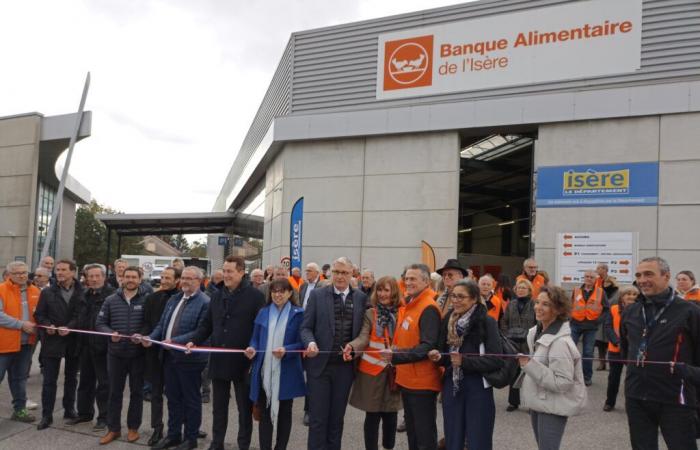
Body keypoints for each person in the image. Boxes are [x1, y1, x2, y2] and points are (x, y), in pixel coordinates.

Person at [186, 255, 265, 450]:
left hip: (244, 362)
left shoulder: (255, 296)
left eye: (230, 271)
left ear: (241, 272)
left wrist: (255, 348)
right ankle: (217, 443)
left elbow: (261, 327)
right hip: (219, 360)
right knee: (218, 408)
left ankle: (243, 444)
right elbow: (207, 325)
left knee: (244, 409)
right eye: (224, 270)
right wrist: (193, 340)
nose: (225, 274)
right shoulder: (217, 294)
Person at [621, 257, 700, 450]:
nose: (642, 280)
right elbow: (626, 350)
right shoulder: (631, 311)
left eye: (649, 274)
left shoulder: (689, 311)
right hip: (637, 396)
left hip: (675, 397)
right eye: (638, 275)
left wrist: (685, 372)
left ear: (666, 277)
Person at [300, 256, 368, 450]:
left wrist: (355, 347)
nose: (340, 276)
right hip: (319, 368)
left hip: (345, 369)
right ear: (330, 273)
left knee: (337, 419)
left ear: (352, 274)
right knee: (318, 419)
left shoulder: (361, 298)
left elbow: (366, 330)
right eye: (336, 272)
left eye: (344, 272)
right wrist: (310, 343)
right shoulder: (317, 296)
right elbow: (305, 328)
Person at [428, 279, 503, 450]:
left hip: (477, 387)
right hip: (452, 385)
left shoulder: (486, 321)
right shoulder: (448, 318)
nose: (455, 300)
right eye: (453, 296)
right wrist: (438, 356)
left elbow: (496, 359)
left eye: (461, 297)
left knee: (478, 438)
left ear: (474, 299)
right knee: (453, 437)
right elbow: (444, 353)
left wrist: (465, 361)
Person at [144, 266, 210, 450]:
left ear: (199, 281)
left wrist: (174, 341)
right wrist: (151, 337)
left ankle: (190, 439)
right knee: (173, 398)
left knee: (191, 400)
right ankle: (173, 435)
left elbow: (200, 331)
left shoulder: (205, 302)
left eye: (190, 278)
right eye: (184, 278)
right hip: (168, 357)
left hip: (190, 360)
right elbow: (162, 324)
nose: (185, 281)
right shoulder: (174, 298)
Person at [517, 285, 587, 450]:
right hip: (540, 401)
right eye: (537, 302)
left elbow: (562, 382)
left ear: (558, 309)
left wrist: (529, 365)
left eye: (545, 304)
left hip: (553, 406)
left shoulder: (561, 343)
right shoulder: (537, 332)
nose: (538, 307)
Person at [381, 264, 441, 450]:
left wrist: (395, 356)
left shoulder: (428, 307)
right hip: (409, 380)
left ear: (426, 281)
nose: (408, 282)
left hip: (422, 383)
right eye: (406, 278)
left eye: (413, 279)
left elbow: (427, 346)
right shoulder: (412, 303)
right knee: (413, 433)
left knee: (423, 435)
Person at [245, 278, 306, 450]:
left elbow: (302, 343)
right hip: (264, 370)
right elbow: (255, 338)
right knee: (264, 414)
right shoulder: (263, 312)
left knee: (285, 414)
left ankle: (281, 447)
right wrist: (252, 348)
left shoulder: (299, 313)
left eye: (281, 291)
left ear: (289, 293)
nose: (277, 294)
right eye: (274, 291)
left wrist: (287, 350)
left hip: (287, 372)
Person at [346, 276, 403, 450]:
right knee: (372, 416)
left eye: (387, 290)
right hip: (371, 372)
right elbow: (364, 337)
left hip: (394, 371)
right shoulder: (371, 313)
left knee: (391, 415)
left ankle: (388, 446)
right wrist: (352, 347)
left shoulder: (403, 312)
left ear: (394, 291)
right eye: (380, 290)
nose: (383, 294)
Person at [95, 266, 149, 445]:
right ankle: (113, 429)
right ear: (122, 279)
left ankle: (133, 428)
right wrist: (110, 332)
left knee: (136, 392)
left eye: (134, 277)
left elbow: (150, 324)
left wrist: (141, 334)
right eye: (128, 277)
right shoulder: (111, 300)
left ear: (140, 279)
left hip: (138, 354)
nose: (131, 279)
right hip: (116, 354)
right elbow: (100, 322)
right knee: (114, 392)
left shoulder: (146, 299)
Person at [34, 259, 84, 430]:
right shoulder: (47, 292)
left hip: (73, 341)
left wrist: (69, 327)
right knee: (49, 380)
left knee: (71, 378)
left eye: (63, 270)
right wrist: (48, 325)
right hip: (52, 340)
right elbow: (39, 315)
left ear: (73, 272)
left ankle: (69, 410)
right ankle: (46, 415)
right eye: (57, 270)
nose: (59, 273)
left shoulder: (82, 292)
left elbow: (82, 315)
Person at [70, 264, 115, 431]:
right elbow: (77, 317)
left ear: (104, 277)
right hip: (84, 345)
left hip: (103, 347)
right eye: (91, 276)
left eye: (97, 276)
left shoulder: (112, 295)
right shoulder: (83, 295)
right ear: (86, 278)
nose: (94, 279)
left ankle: (104, 417)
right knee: (85, 382)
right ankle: (84, 413)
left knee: (104, 384)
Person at [142, 266, 181, 446]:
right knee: (156, 394)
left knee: (177, 395)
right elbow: (146, 323)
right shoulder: (152, 298)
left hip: (175, 355)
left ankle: (184, 426)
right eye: (162, 277)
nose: (164, 280)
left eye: (168, 277)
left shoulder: (182, 298)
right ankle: (157, 428)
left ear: (177, 280)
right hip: (153, 354)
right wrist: (146, 337)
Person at [0, 261, 40, 423]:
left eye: (24, 272)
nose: (22, 275)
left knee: (20, 379)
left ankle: (20, 410)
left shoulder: (35, 291)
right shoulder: (1, 290)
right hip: (3, 344)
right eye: (17, 273)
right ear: (9, 275)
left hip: (26, 344)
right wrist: (21, 324)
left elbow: (40, 314)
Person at [501, 278, 536, 412]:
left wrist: (534, 337)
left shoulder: (534, 304)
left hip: (528, 343)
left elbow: (538, 322)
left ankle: (531, 404)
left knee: (530, 374)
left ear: (529, 290)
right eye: (519, 288)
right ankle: (513, 402)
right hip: (513, 343)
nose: (521, 290)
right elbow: (504, 321)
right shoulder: (511, 304)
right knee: (514, 373)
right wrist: (506, 335)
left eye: (524, 288)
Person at [603, 284, 639, 412]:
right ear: (622, 296)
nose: (631, 296)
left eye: (634, 294)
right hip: (616, 349)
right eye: (628, 294)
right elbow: (608, 327)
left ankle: (632, 405)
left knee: (633, 380)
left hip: (633, 351)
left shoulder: (640, 310)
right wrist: (617, 341)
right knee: (613, 378)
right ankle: (609, 402)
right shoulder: (613, 309)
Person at [569, 270, 608, 386]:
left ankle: (587, 377)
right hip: (575, 324)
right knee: (570, 351)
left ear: (595, 279)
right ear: (584, 277)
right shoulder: (576, 290)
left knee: (588, 352)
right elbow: (570, 305)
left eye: (591, 277)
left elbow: (606, 309)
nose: (589, 279)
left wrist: (598, 321)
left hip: (591, 326)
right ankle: (568, 375)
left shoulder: (601, 292)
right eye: (587, 276)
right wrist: (570, 319)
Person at [594, 264, 619, 371]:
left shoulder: (617, 292)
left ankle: (610, 362)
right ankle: (602, 363)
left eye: (608, 282)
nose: (606, 284)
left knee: (610, 341)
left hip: (612, 318)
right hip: (601, 317)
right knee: (600, 342)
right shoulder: (599, 289)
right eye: (605, 282)